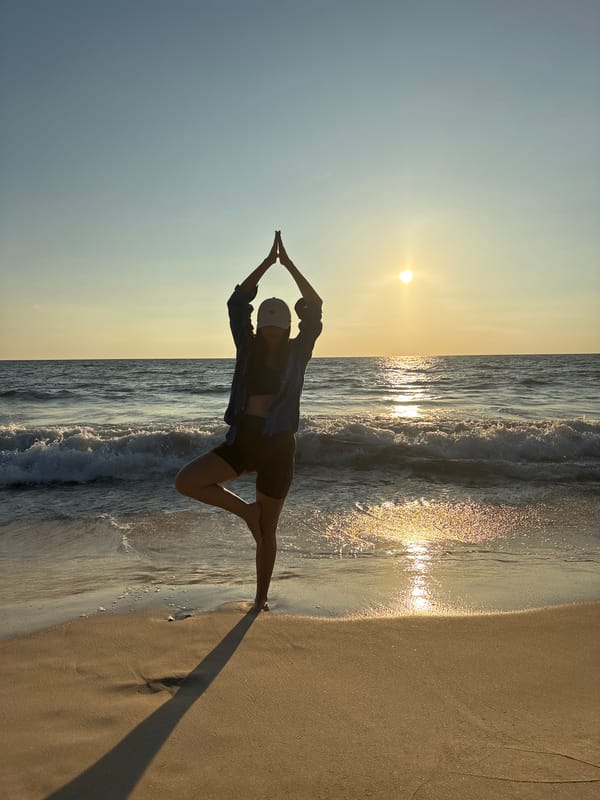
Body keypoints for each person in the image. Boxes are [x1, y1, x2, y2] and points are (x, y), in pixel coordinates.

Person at [175, 231, 323, 612]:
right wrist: (267, 263)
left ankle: (260, 600)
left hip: (277, 447)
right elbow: (237, 301)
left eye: (278, 327)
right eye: (267, 327)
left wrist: (288, 265)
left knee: (267, 533)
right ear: (260, 326)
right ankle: (246, 512)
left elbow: (315, 307)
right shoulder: (248, 345)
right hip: (243, 439)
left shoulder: (298, 352)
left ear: (288, 328)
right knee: (187, 481)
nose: (272, 333)